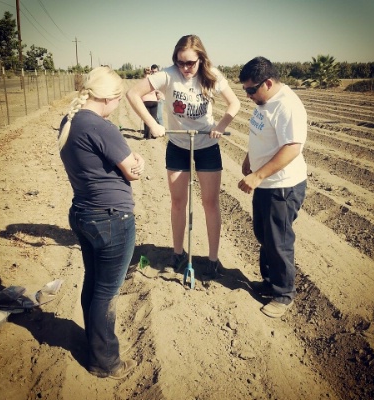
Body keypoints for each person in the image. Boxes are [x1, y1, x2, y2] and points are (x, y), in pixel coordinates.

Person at [127, 34, 240, 279]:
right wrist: (152, 124)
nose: (185, 68)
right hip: (178, 144)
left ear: (201, 59)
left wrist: (220, 125)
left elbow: (234, 104)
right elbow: (132, 94)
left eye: (190, 63)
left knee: (210, 203)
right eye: (181, 62)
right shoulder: (167, 75)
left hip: (207, 145)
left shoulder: (213, 76)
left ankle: (212, 259)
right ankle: (177, 253)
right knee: (178, 202)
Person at [58, 66, 145, 379]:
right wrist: (139, 163)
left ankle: (94, 345)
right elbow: (131, 170)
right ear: (111, 97)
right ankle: (105, 362)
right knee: (106, 292)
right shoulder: (100, 126)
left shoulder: (70, 121)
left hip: (83, 212)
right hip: (111, 219)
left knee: (94, 283)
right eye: (119, 99)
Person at [238, 57, 307, 318]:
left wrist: (258, 176)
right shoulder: (265, 100)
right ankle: (269, 282)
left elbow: (292, 148)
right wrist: (250, 158)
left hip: (282, 186)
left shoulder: (287, 106)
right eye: (245, 90)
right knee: (264, 236)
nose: (248, 95)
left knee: (279, 241)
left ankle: (284, 294)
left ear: (267, 82)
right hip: (267, 183)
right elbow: (261, 134)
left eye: (251, 90)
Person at [141, 67, 159, 139]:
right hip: (154, 101)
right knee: (153, 119)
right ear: (150, 72)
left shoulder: (143, 81)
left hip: (146, 101)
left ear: (144, 72)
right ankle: (154, 134)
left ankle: (147, 135)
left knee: (147, 118)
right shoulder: (153, 80)